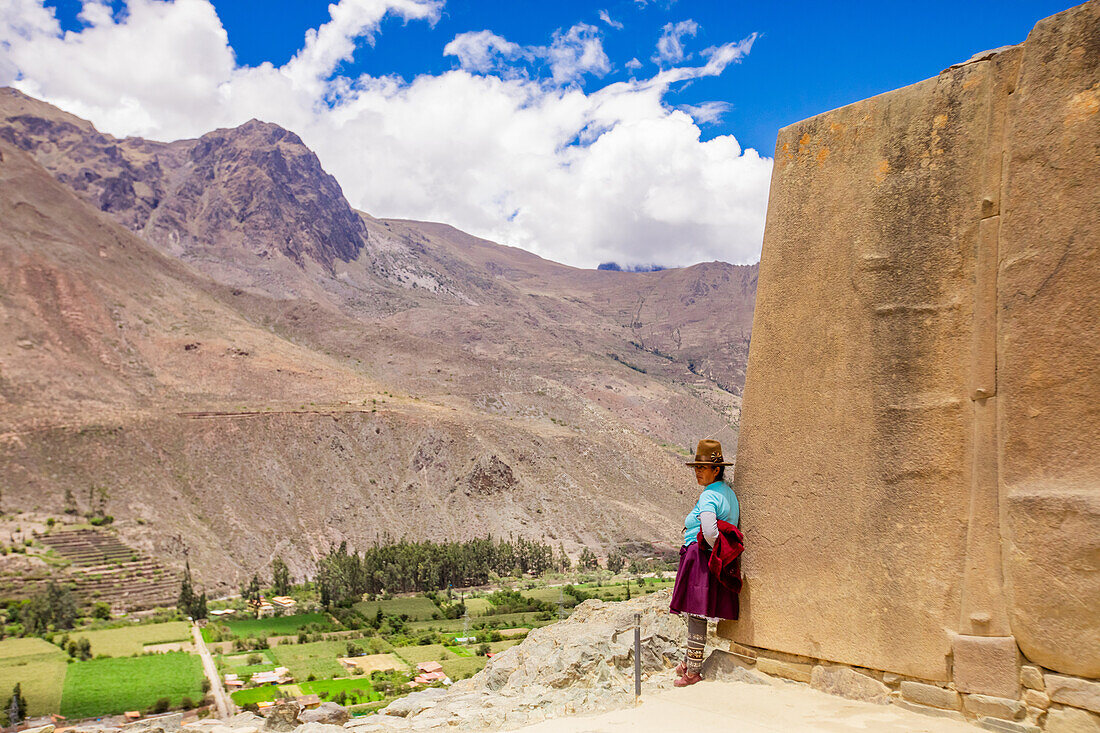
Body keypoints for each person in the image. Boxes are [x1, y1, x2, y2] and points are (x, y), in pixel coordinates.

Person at [669, 438, 740, 687]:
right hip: (709, 556)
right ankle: (689, 661)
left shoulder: (710, 496)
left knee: (696, 613)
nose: (697, 472)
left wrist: (710, 552)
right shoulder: (728, 493)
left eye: (702, 468)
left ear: (716, 469)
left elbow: (709, 530)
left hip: (701, 556)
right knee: (697, 612)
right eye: (696, 468)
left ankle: (693, 672)